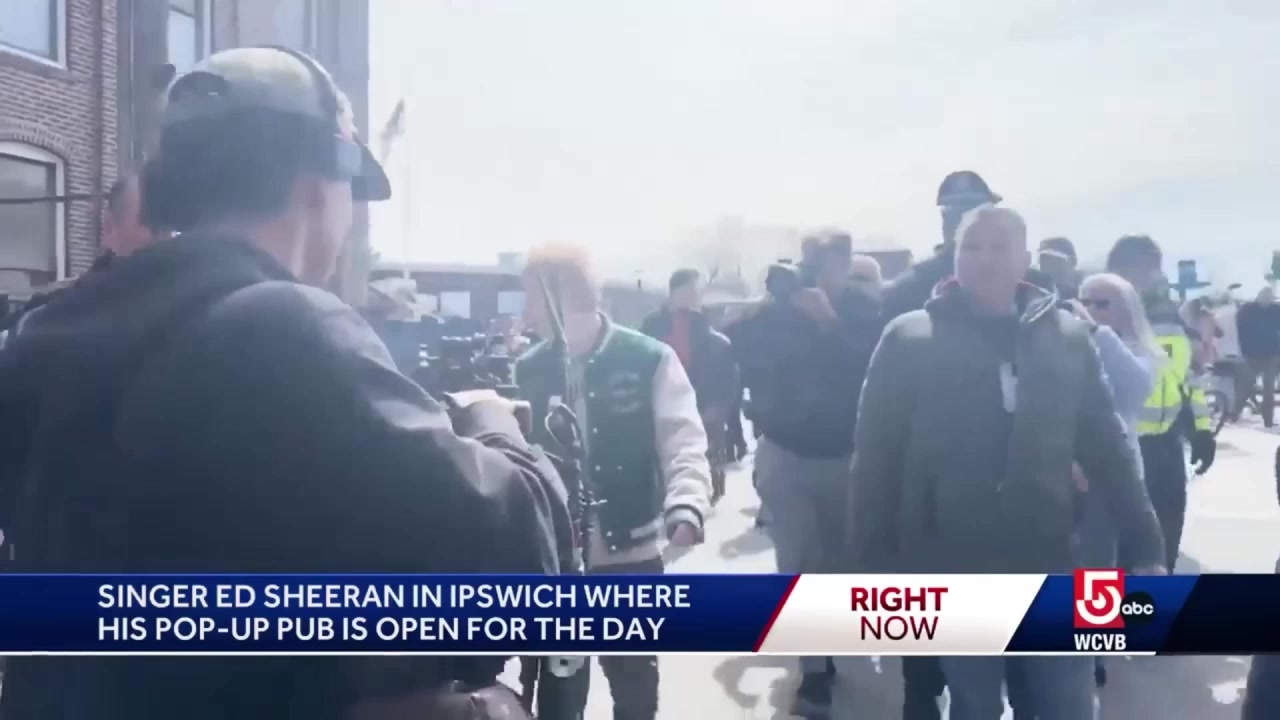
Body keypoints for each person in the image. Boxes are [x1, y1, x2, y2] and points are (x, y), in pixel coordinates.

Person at [0, 47, 568, 720]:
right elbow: (513, 563)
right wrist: (494, 427)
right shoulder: (287, 326)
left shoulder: (44, 335)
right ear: (318, 186)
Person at [850, 205, 1166, 720]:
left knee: (1069, 701)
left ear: (1024, 258)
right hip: (953, 560)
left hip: (1054, 556)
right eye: (972, 247)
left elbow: (1108, 446)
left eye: (1000, 248)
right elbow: (875, 457)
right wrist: (873, 564)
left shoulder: (1068, 338)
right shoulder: (909, 338)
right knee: (974, 703)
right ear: (955, 257)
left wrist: (1145, 541)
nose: (985, 259)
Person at [515, 244, 711, 720]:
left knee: (634, 686)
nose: (525, 310)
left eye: (530, 296)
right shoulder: (529, 368)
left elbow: (683, 439)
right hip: (555, 562)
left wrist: (687, 502)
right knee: (560, 695)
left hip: (631, 554)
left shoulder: (648, 357)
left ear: (558, 293)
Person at [727, 230, 882, 718]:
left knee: (843, 561)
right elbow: (745, 355)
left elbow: (870, 368)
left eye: (829, 262)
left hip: (846, 455)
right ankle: (814, 672)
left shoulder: (863, 310)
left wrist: (828, 322)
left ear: (845, 264)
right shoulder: (775, 312)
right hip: (787, 455)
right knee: (797, 563)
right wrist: (769, 311)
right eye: (812, 261)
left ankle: (839, 640)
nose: (819, 272)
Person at [1106, 235, 1216, 572]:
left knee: (1164, 541)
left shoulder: (1170, 316)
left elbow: (1189, 377)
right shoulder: (1102, 313)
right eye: (1144, 267)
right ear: (1120, 269)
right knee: (1112, 552)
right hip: (1119, 449)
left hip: (1166, 445)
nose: (1154, 275)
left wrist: (1202, 429)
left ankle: (1154, 601)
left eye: (1155, 267)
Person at [640, 269, 739, 502]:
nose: (695, 296)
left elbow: (722, 367)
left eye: (697, 291)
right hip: (662, 400)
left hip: (701, 400)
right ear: (676, 291)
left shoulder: (702, 325)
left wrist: (719, 406)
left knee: (704, 456)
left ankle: (705, 493)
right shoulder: (652, 325)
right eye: (691, 290)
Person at [1236, 288, 1280, 427]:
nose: (1267, 300)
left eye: (1270, 297)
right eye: (1265, 296)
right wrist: (1244, 350)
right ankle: (1233, 414)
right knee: (1245, 386)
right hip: (1251, 355)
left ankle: (1268, 420)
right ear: (1259, 296)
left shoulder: (1276, 310)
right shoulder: (1247, 309)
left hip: (1271, 355)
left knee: (1268, 390)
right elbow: (1241, 330)